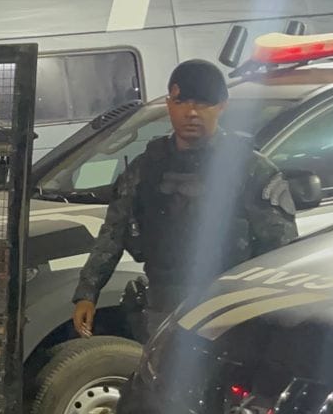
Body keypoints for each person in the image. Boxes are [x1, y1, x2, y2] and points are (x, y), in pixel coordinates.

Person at [71, 59, 298, 337]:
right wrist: (87, 293)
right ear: (169, 105)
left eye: (202, 103)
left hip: (229, 307)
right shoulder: (146, 168)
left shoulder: (250, 168)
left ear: (222, 106)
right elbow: (112, 233)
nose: (191, 112)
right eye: (182, 102)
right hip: (164, 307)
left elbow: (281, 250)